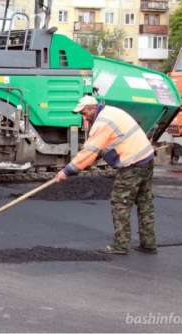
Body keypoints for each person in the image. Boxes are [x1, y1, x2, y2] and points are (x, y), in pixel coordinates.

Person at [56, 95, 156, 255]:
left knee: (120, 203)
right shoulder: (111, 111)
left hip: (132, 163)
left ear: (91, 108)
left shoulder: (102, 123)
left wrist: (67, 171)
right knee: (145, 202)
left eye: (84, 113)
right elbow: (106, 145)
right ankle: (149, 244)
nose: (84, 117)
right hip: (147, 158)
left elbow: (89, 151)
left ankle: (121, 245)